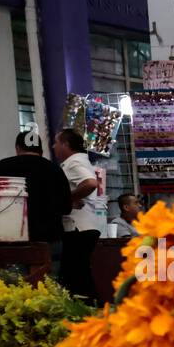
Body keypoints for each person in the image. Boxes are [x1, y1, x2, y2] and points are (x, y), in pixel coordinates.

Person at [0, 130, 71, 246]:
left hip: (11, 237)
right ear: (41, 151)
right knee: (49, 264)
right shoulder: (55, 169)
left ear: (17, 148)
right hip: (49, 237)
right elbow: (66, 207)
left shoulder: (3, 166)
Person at [53, 128, 103, 301]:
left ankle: (92, 315)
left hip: (79, 228)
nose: (53, 146)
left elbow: (90, 183)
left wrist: (67, 200)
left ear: (66, 144)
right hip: (83, 227)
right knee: (76, 276)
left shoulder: (74, 162)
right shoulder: (79, 161)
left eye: (56, 142)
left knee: (76, 277)